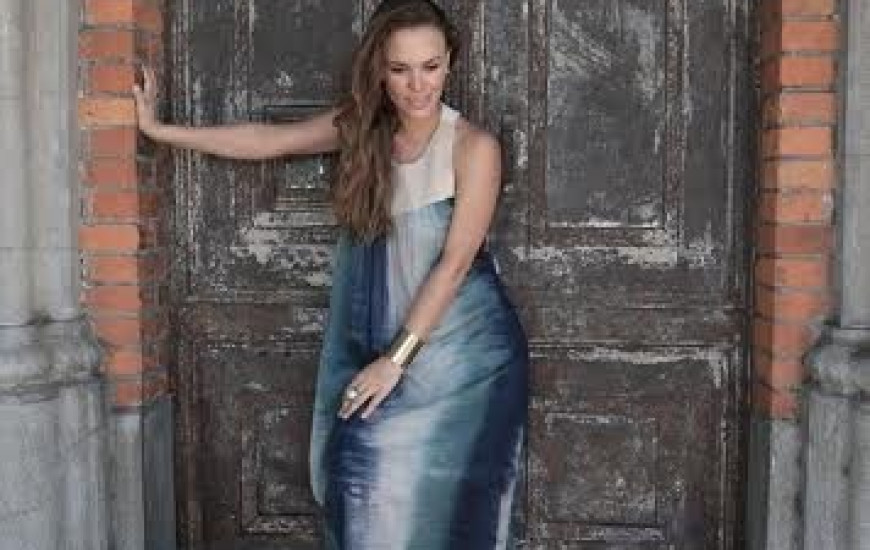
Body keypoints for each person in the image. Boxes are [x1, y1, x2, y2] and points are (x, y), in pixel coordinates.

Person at [132, 0, 529, 547]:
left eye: (431, 67)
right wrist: (160, 131)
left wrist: (394, 361)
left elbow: (456, 262)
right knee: (357, 494)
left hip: (468, 364)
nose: (418, 86)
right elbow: (270, 141)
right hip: (384, 355)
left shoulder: (474, 148)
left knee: (457, 521)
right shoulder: (363, 130)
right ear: (379, 69)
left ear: (450, 63)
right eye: (400, 69)